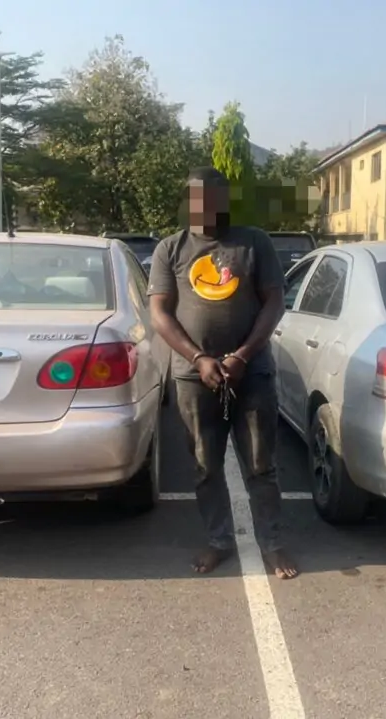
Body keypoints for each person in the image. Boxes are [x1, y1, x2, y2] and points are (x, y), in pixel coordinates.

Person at [147, 166, 299, 580]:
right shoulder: (170, 249)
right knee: (205, 466)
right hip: (194, 376)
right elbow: (160, 313)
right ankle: (219, 541)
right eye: (196, 198)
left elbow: (274, 303)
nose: (204, 206)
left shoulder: (254, 243)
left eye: (212, 197)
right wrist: (199, 358)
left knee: (261, 465)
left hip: (252, 374)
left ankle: (272, 543)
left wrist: (243, 356)